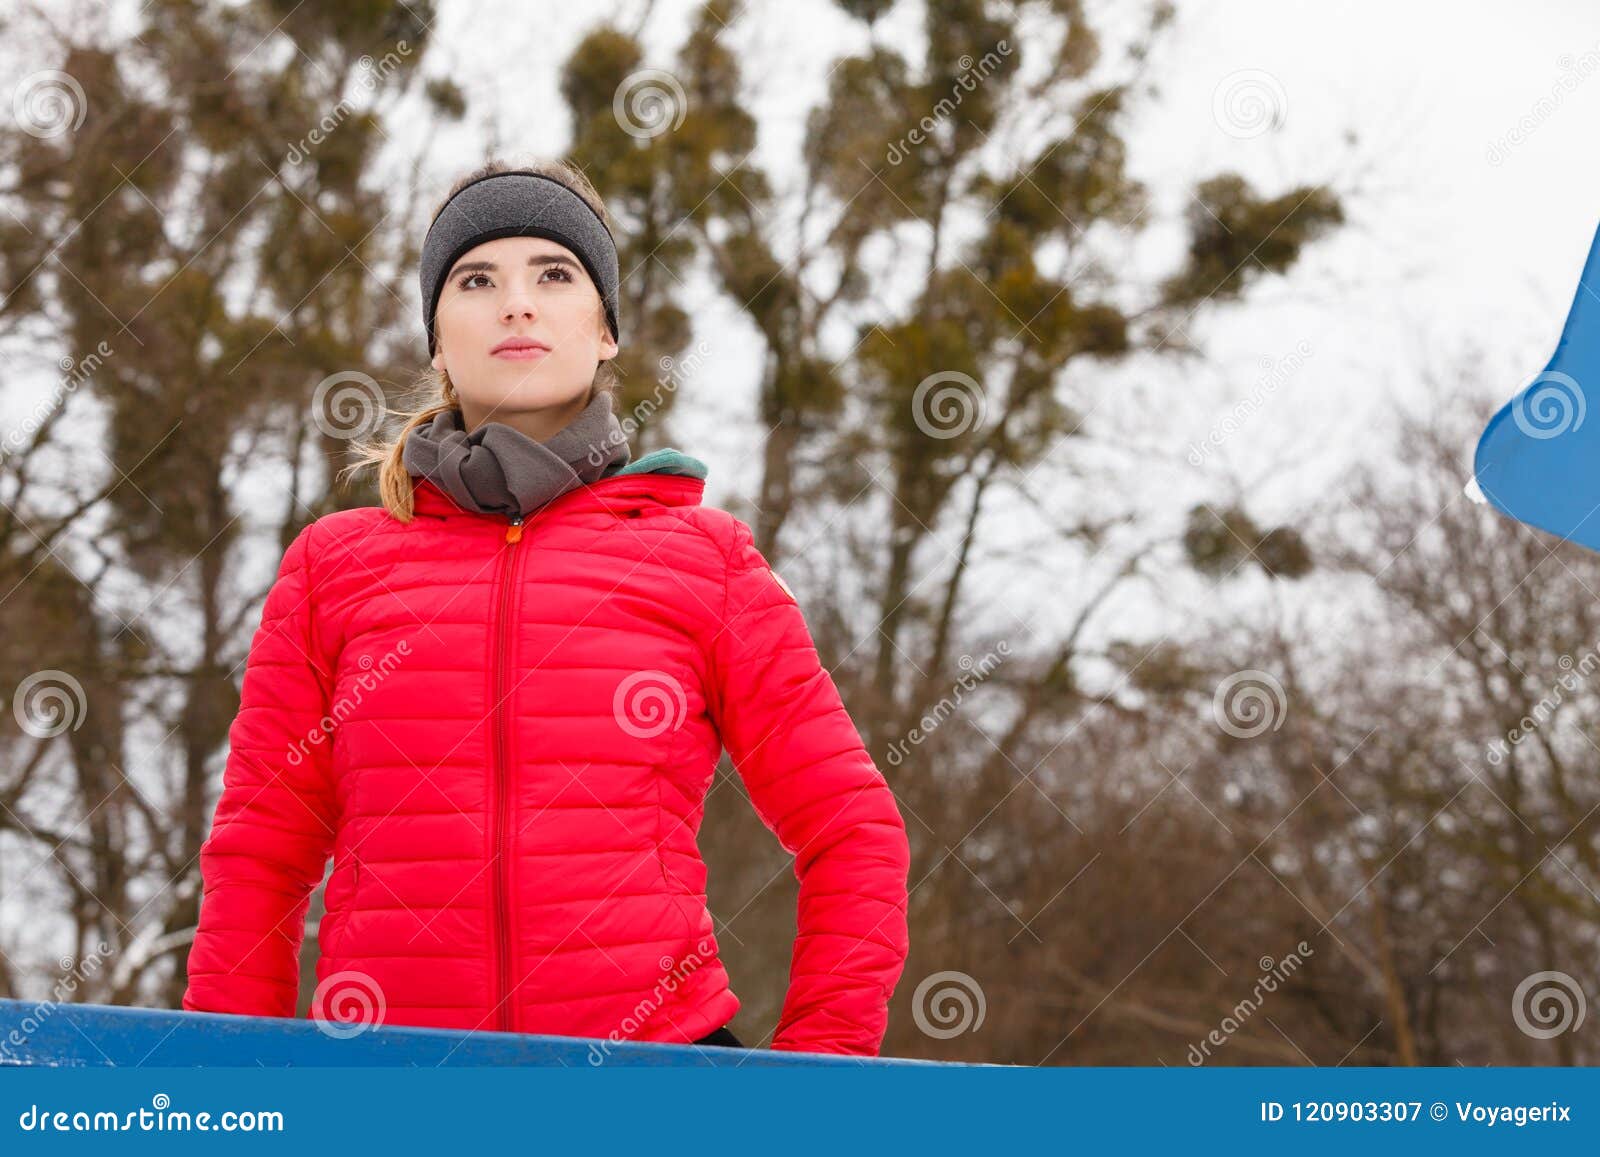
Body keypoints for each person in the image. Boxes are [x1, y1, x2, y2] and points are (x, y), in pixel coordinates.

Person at [180, 157, 912, 1056]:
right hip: (389, 1092)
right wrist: (224, 1089)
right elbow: (262, 857)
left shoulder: (705, 561)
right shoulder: (335, 567)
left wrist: (818, 1080)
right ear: (437, 341)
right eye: (476, 279)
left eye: (554, 274)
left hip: (653, 1091)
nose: (516, 304)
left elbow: (853, 828)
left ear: (605, 330)